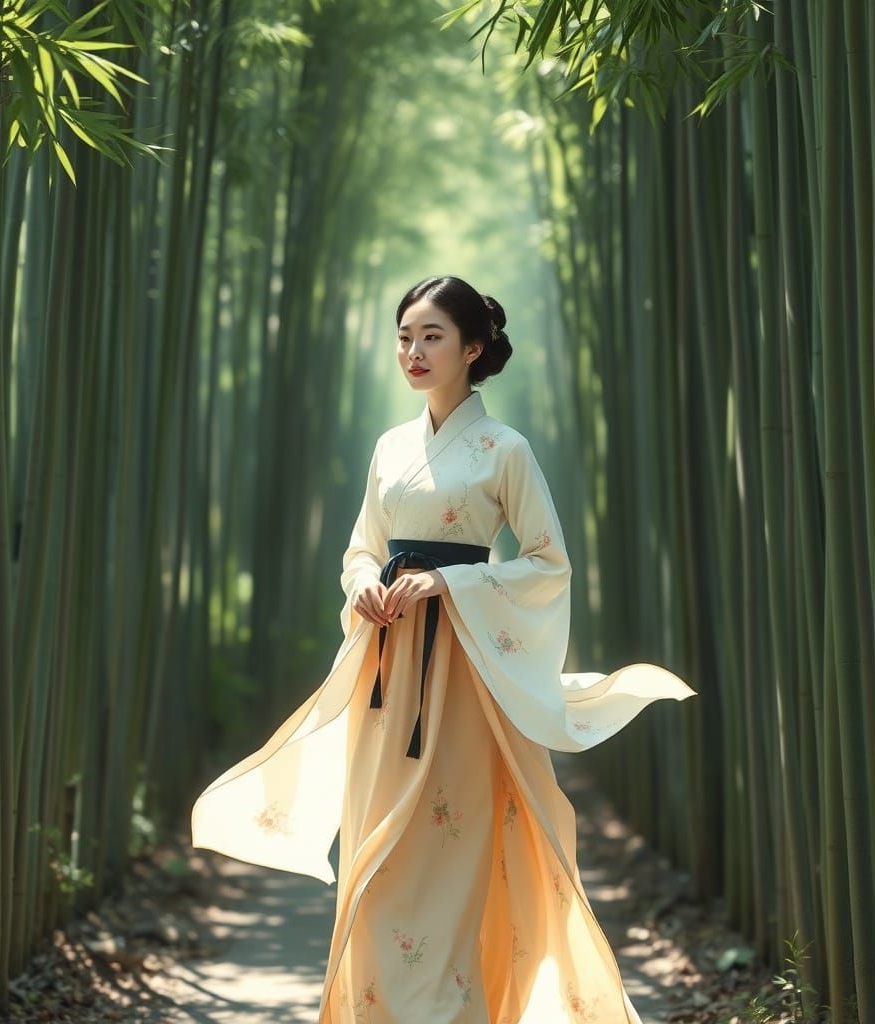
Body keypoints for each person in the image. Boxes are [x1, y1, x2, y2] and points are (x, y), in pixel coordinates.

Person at [191, 275, 697, 1023]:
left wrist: (449, 582)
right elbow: (362, 548)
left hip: (462, 674)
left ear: (474, 348)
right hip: (388, 668)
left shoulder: (506, 450)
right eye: (405, 337)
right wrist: (365, 585)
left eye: (432, 337)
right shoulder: (390, 447)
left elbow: (548, 561)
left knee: (447, 846)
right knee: (377, 848)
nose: (414, 352)